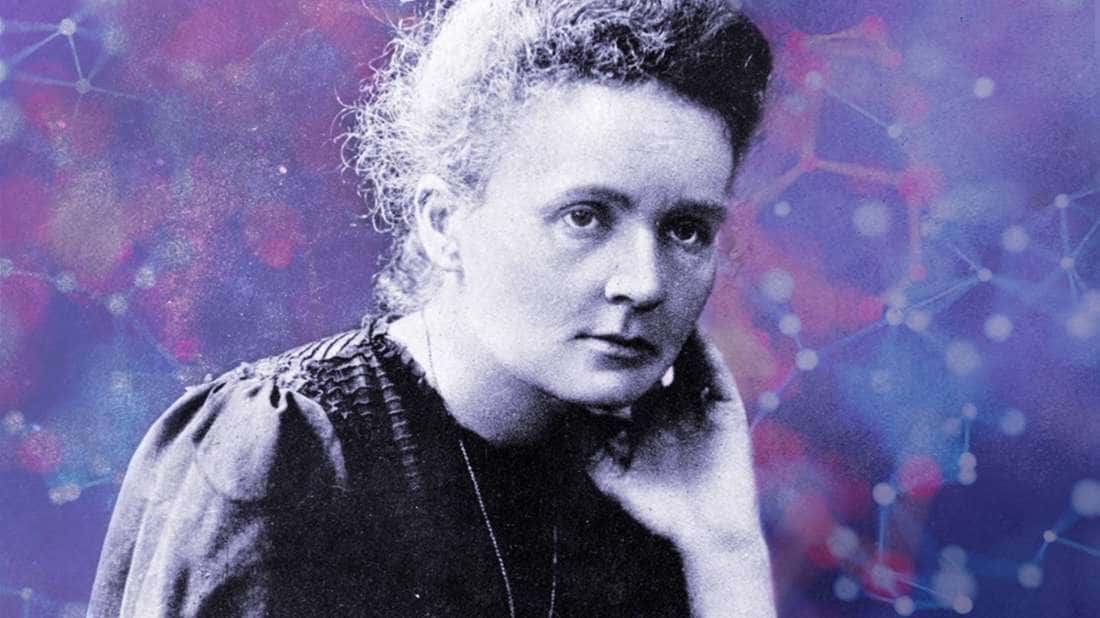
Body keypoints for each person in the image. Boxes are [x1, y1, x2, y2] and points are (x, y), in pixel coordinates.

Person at [88, 0, 774, 615]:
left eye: (687, 230)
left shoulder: (654, 487)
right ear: (443, 223)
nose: (644, 283)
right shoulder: (287, 455)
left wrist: (723, 548)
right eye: (585, 216)